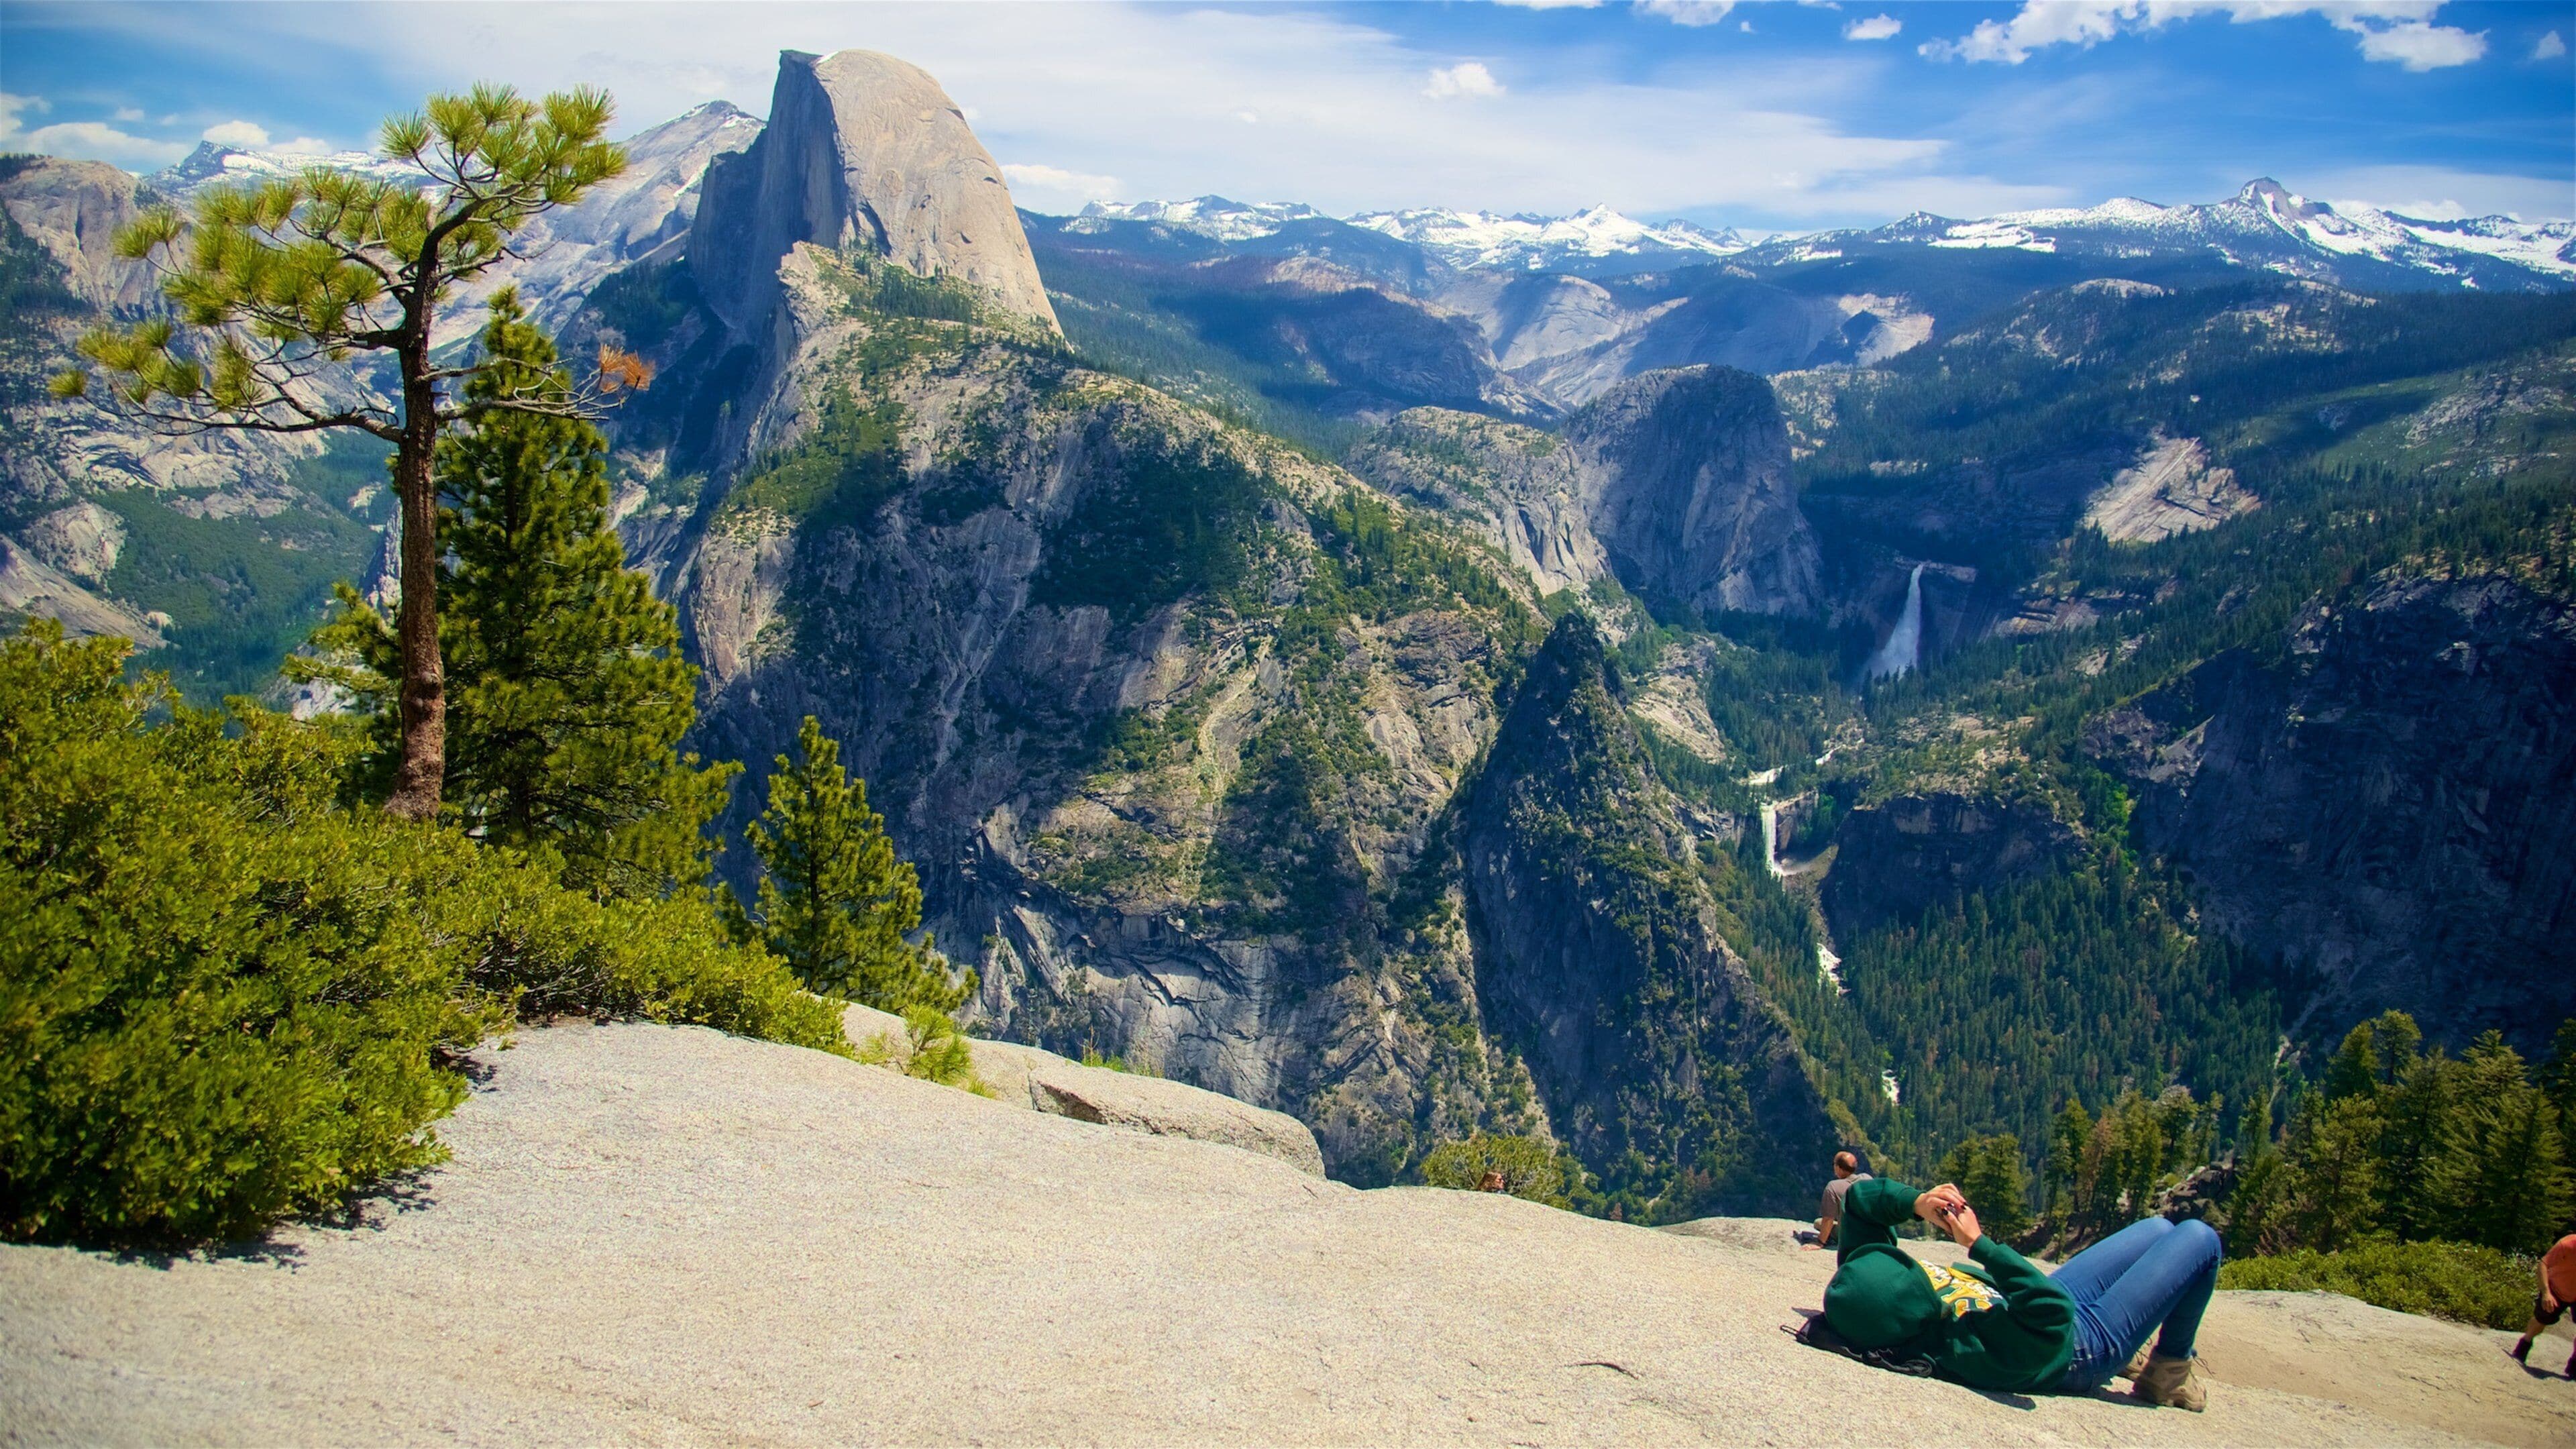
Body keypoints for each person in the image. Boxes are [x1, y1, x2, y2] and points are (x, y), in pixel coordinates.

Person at [1820, 1177, 2218, 1410]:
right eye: (1924, 1278)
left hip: (2030, 1301)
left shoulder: (1867, 1290)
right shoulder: (1966, 1347)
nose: (1924, 1270)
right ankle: (2168, 1374)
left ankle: (2142, 1344)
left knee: (2158, 1229)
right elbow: (2054, 1317)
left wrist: (1918, 1203)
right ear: (1923, 1308)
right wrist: (1979, 1245)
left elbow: (1858, 1199)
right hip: (2074, 1343)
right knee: (2200, 1240)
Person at [2508, 1232, 2576, 1377]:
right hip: (2556, 1288)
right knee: (2542, 1320)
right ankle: (2525, 1344)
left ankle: (2574, 1366)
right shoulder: (2568, 1244)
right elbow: (2544, 1264)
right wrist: (2546, 1293)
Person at [1800, 1150, 1872, 1252]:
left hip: (1853, 1238)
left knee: (1818, 1223)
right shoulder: (1867, 1178)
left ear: (1838, 1168)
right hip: (1873, 1233)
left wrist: (1820, 1243)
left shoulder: (1833, 1187)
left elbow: (1828, 1219)